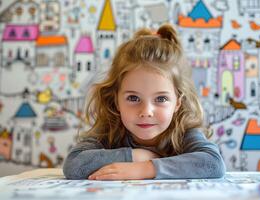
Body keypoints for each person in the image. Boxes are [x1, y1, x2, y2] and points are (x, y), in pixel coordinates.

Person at [63, 24, 226, 180]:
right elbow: (73, 164)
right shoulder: (111, 130)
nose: (146, 111)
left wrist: (145, 168)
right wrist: (136, 156)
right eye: (133, 98)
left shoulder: (183, 132)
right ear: (116, 100)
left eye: (161, 99)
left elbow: (213, 164)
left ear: (177, 103)